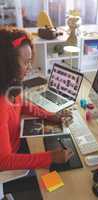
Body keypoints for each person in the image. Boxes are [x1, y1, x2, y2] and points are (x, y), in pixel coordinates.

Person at [0, 26, 73, 171]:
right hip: (12, 162)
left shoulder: (9, 84)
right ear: (8, 66)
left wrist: (51, 116)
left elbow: (22, 105)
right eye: (26, 62)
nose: (29, 67)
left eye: (30, 61)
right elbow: (4, 161)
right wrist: (51, 157)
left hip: (18, 142)